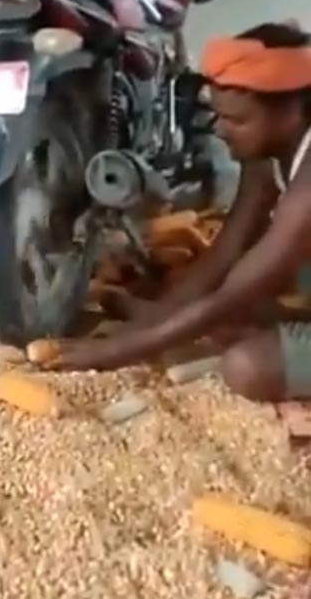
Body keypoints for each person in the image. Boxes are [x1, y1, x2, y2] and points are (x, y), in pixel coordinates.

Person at [44, 22, 311, 402]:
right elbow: (227, 251)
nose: (219, 129)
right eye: (218, 115)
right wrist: (155, 320)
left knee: (247, 367)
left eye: (237, 120)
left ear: (293, 112)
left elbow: (234, 292)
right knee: (222, 323)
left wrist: (117, 352)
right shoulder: (267, 157)